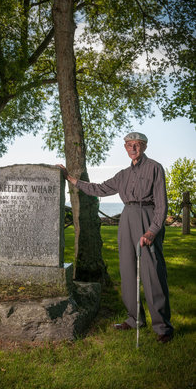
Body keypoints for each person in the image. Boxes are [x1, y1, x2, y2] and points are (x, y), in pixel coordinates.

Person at [58, 132, 174, 344]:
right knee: (128, 271)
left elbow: (161, 203)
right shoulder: (122, 175)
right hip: (127, 218)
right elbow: (99, 189)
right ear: (125, 148)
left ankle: (163, 328)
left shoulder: (155, 168)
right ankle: (134, 319)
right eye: (129, 145)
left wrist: (152, 230)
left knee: (153, 274)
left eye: (137, 145)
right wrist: (71, 179)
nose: (133, 148)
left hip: (147, 216)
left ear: (144, 147)